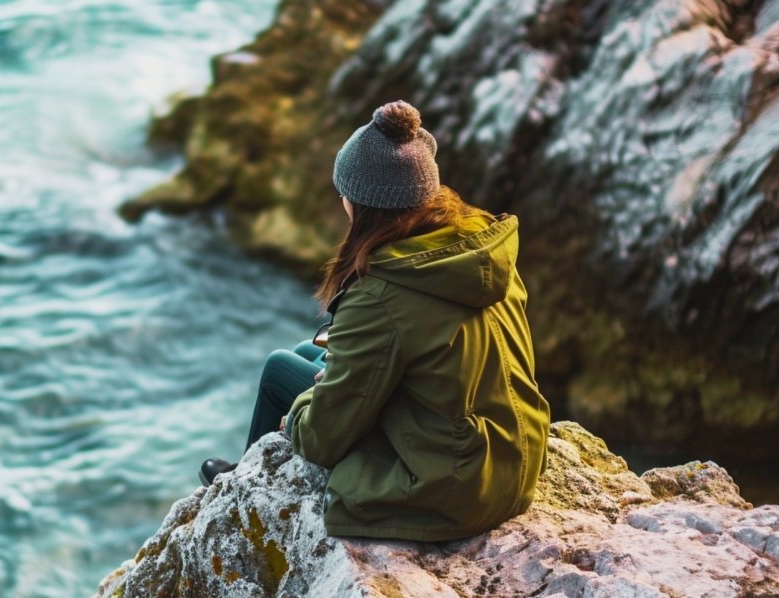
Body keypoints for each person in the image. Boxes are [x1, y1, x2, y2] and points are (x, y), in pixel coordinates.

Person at [199, 101, 550, 542]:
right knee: (309, 353)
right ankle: (245, 468)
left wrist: (300, 414)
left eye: (344, 192)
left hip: (451, 488)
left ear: (364, 204)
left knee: (278, 370)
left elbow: (322, 440)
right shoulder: (477, 247)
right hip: (510, 458)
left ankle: (243, 486)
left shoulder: (380, 296)